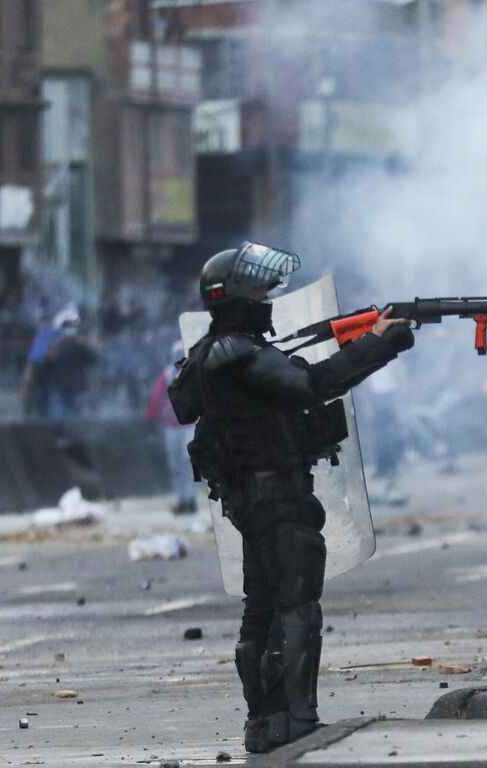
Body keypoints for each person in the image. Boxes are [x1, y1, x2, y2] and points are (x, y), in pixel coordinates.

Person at [167, 242, 418, 751]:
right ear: (236, 299)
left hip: (251, 500)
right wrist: (378, 344)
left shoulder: (210, 357)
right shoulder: (241, 354)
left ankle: (264, 720)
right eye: (259, 290)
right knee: (296, 607)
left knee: (261, 611)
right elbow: (313, 384)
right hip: (275, 498)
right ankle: (294, 718)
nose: (268, 298)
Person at [147, 346, 200, 514]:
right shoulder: (166, 375)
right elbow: (156, 399)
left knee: (187, 462)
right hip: (172, 427)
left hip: (189, 425)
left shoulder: (195, 372)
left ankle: (190, 498)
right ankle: (183, 499)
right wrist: (151, 418)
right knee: (176, 466)